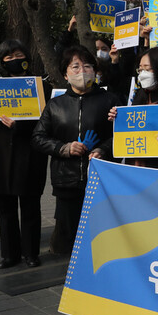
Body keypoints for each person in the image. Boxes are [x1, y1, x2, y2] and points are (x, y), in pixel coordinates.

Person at [32, 45, 119, 257]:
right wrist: (64, 148)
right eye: (76, 67)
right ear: (65, 73)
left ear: (95, 71)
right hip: (66, 180)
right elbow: (38, 138)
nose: (82, 72)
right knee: (69, 234)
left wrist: (103, 150)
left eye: (87, 66)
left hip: (101, 179)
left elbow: (122, 136)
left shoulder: (110, 101)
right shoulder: (55, 105)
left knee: (100, 233)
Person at [0, 40, 49, 269]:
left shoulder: (40, 85)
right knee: (5, 207)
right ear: (0, 61)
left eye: (18, 55)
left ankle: (31, 253)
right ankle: (9, 254)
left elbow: (46, 120)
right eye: (8, 58)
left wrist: (19, 126)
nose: (14, 60)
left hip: (29, 153)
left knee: (31, 205)